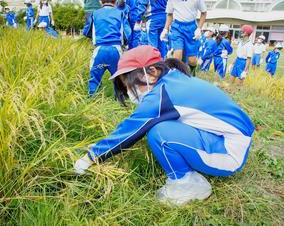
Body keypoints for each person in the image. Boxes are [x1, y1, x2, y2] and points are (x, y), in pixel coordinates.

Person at [73, 46, 254, 205]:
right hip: (232, 140)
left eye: (130, 84)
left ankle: (186, 184)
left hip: (229, 154)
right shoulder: (174, 80)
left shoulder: (162, 95)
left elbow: (130, 130)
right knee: (162, 127)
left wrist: (91, 157)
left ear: (151, 72)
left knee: (159, 133)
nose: (129, 92)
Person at [83, 0, 131, 97]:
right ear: (116, 1)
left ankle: (93, 100)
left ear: (101, 1)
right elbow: (127, 33)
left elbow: (86, 31)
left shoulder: (95, 13)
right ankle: (120, 102)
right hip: (116, 50)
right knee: (119, 78)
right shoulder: (120, 13)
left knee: (94, 78)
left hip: (99, 49)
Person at [161, 0, 207, 76]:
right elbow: (169, 14)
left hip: (191, 28)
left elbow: (204, 13)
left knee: (192, 60)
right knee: (177, 55)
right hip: (177, 27)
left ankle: (192, 71)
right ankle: (177, 76)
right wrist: (165, 29)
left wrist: (199, 28)